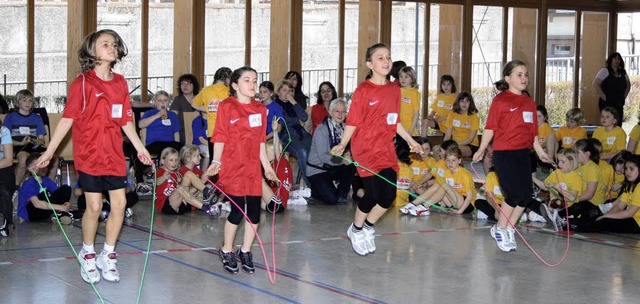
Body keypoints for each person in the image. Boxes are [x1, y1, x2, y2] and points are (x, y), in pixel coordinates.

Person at [35, 29, 153, 284]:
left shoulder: (120, 83)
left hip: (113, 155)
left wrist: (140, 148)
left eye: (114, 44)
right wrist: (50, 151)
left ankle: (107, 255)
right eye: (105, 44)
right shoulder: (83, 84)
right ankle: (87, 253)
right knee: (95, 207)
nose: (112, 47)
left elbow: (125, 120)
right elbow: (68, 119)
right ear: (92, 51)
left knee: (120, 205)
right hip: (88, 155)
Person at [331, 43, 422, 256]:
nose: (386, 61)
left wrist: (411, 140)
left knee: (388, 196)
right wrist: (344, 144)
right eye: (380, 58)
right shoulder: (363, 90)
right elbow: (352, 121)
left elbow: (395, 121)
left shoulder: (394, 89)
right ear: (369, 64)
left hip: (385, 149)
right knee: (372, 194)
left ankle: (367, 227)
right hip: (365, 149)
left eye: (388, 57)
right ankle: (356, 229)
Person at [473, 60, 550, 252]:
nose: (524, 78)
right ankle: (500, 228)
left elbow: (532, 133)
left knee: (524, 196)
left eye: (526, 74)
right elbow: (490, 127)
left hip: (524, 154)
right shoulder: (501, 101)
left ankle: (508, 228)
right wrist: (482, 149)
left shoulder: (529, 103)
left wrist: (540, 152)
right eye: (519, 75)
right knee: (513, 194)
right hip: (504, 154)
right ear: (508, 78)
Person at [206, 67, 277, 275]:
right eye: (247, 80)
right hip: (232, 167)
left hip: (252, 168)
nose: (253, 84)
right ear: (235, 85)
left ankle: (245, 251)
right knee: (238, 211)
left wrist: (267, 168)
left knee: (254, 213)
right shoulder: (227, 106)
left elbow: (260, 143)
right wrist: (216, 161)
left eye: (255, 80)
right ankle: (226, 249)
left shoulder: (260, 109)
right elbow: (219, 136)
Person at [556, 154, 640, 233]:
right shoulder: (629, 185)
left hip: (636, 222)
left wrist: (607, 216)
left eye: (631, 169)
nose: (627, 172)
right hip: (631, 218)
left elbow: (630, 213)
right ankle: (564, 220)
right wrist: (607, 214)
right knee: (599, 217)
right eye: (626, 169)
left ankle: (568, 224)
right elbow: (620, 205)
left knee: (605, 222)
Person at [540, 139, 605, 231]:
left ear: (587, 154)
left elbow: (589, 195)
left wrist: (571, 199)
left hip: (592, 204)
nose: (574, 155)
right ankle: (554, 215)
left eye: (577, 152)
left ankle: (558, 216)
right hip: (577, 199)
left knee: (578, 206)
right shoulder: (578, 167)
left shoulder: (592, 168)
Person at [3, 89, 57, 187]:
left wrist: (37, 141)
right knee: (24, 159)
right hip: (17, 146)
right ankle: (15, 187)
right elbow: (5, 140)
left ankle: (49, 187)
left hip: (33, 146)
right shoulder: (10, 118)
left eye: (30, 100)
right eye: (24, 100)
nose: (28, 103)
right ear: (18, 103)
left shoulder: (37, 118)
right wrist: (21, 143)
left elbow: (42, 139)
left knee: (54, 159)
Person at [307, 98, 355, 205]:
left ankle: (342, 196)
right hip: (318, 169)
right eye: (337, 111)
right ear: (330, 112)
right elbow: (323, 157)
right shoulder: (322, 129)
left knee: (351, 165)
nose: (340, 114)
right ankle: (314, 190)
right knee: (331, 200)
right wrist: (343, 161)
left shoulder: (344, 128)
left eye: (343, 111)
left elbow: (347, 147)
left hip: (332, 167)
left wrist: (348, 153)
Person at [134, 90, 183, 191]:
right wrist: (157, 115)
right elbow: (140, 125)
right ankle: (140, 183)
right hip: (154, 143)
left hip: (170, 144)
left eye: (165, 100)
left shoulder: (172, 115)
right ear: (155, 102)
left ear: (168, 102)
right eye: (160, 100)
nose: (162, 103)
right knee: (139, 157)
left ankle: (181, 180)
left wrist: (179, 149)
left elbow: (176, 133)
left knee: (182, 149)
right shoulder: (149, 113)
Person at [154, 147, 218, 216]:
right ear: (163, 161)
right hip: (166, 206)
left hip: (181, 203)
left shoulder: (177, 173)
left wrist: (202, 181)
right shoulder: (160, 171)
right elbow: (156, 182)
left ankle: (207, 192)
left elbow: (186, 192)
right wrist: (164, 177)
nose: (174, 163)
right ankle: (206, 208)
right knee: (180, 189)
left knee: (188, 174)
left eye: (176, 160)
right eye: (171, 160)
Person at [18, 153, 80, 224]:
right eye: (40, 164)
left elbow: (58, 195)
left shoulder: (46, 180)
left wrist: (67, 204)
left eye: (45, 164)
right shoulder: (29, 183)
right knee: (46, 193)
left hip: (43, 210)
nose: (44, 167)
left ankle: (61, 214)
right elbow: (37, 204)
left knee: (66, 188)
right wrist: (60, 207)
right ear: (30, 168)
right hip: (30, 214)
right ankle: (61, 212)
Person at [532, 148, 582, 229]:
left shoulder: (577, 177)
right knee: (530, 201)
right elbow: (545, 186)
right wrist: (532, 178)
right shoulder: (556, 173)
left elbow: (572, 197)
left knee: (579, 206)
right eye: (558, 161)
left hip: (568, 206)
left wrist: (556, 187)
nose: (559, 164)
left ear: (572, 162)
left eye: (563, 162)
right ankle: (552, 216)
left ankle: (552, 217)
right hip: (554, 204)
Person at [275, 79, 312, 187]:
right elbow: (282, 120)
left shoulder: (294, 103)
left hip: (301, 132)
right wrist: (297, 121)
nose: (287, 93)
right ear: (278, 91)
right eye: (284, 90)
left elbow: (304, 117)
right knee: (303, 152)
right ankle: (310, 184)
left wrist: (294, 102)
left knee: (315, 149)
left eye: (290, 90)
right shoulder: (276, 105)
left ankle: (320, 180)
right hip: (286, 135)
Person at [193, 67, 231, 161]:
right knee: (228, 160)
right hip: (227, 131)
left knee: (214, 160)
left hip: (212, 132)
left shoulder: (206, 90)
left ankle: (214, 176)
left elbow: (194, 104)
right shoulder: (230, 91)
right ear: (227, 79)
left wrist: (208, 109)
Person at [593, 52, 631, 126]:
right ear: (610, 60)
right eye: (615, 58)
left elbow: (628, 86)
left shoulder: (623, 72)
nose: (617, 61)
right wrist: (604, 97)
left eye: (618, 59)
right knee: (608, 123)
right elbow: (595, 84)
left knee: (618, 124)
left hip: (619, 103)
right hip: (607, 103)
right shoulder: (604, 71)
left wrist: (623, 97)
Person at [443, 91, 479, 158]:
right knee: (437, 149)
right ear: (458, 102)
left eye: (467, 101)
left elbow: (470, 139)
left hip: (470, 146)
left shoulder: (474, 117)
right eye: (462, 101)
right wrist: (444, 146)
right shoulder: (452, 114)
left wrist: (454, 144)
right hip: (455, 144)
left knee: (452, 151)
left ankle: (455, 168)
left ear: (470, 103)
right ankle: (438, 168)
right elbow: (447, 135)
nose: (464, 103)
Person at [170, 73, 200, 144]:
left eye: (188, 83)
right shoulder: (178, 100)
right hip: (182, 134)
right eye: (182, 84)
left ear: (194, 85)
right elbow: (172, 117)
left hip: (199, 133)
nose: (185, 86)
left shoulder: (200, 99)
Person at [0, 117, 14, 237]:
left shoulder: (4, 131)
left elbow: (8, 160)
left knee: (3, 189)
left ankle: (5, 221)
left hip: (2, 168)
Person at [398, 66, 421, 136]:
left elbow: (416, 113)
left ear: (412, 79)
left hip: (409, 129)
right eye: (401, 76)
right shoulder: (398, 91)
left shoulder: (414, 93)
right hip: (399, 127)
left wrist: (411, 131)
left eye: (406, 77)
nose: (403, 79)